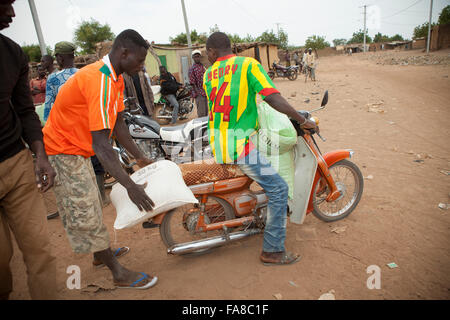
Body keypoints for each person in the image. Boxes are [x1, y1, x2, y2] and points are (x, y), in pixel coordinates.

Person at [43, 29, 158, 289]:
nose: (141, 67)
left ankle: (99, 255)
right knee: (86, 209)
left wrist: (140, 158)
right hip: (63, 150)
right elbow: (102, 146)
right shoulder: (100, 80)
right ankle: (118, 273)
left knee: (93, 201)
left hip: (76, 147)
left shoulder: (114, 78)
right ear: (123, 53)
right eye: (140, 61)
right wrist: (130, 186)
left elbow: (119, 127)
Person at [203, 32, 318, 266]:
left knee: (267, 173)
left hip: (219, 141)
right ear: (229, 47)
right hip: (240, 145)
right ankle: (273, 250)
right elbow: (272, 97)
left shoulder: (208, 74)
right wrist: (301, 119)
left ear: (212, 52)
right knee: (278, 188)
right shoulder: (247, 65)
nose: (208, 57)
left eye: (208, 53)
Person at [0, 0, 56, 300]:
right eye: (4, 4)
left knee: (40, 250)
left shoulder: (12, 53)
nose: (12, 13)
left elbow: (24, 110)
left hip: (16, 162)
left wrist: (40, 155)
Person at [188, 49, 208, 118]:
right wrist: (198, 93)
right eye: (195, 56)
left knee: (206, 112)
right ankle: (201, 128)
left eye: (198, 56)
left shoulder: (202, 66)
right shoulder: (192, 69)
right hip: (199, 93)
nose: (197, 58)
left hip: (204, 92)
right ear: (193, 58)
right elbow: (192, 83)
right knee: (202, 113)